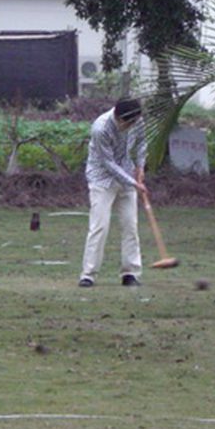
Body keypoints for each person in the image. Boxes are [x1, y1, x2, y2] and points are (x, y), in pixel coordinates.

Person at [79, 98, 148, 287]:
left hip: (127, 174)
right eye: (128, 123)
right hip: (101, 179)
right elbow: (108, 163)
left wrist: (140, 166)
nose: (132, 126)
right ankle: (88, 275)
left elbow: (142, 142)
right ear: (119, 118)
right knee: (99, 226)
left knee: (130, 225)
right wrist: (134, 183)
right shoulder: (100, 128)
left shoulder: (137, 120)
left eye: (134, 122)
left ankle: (130, 273)